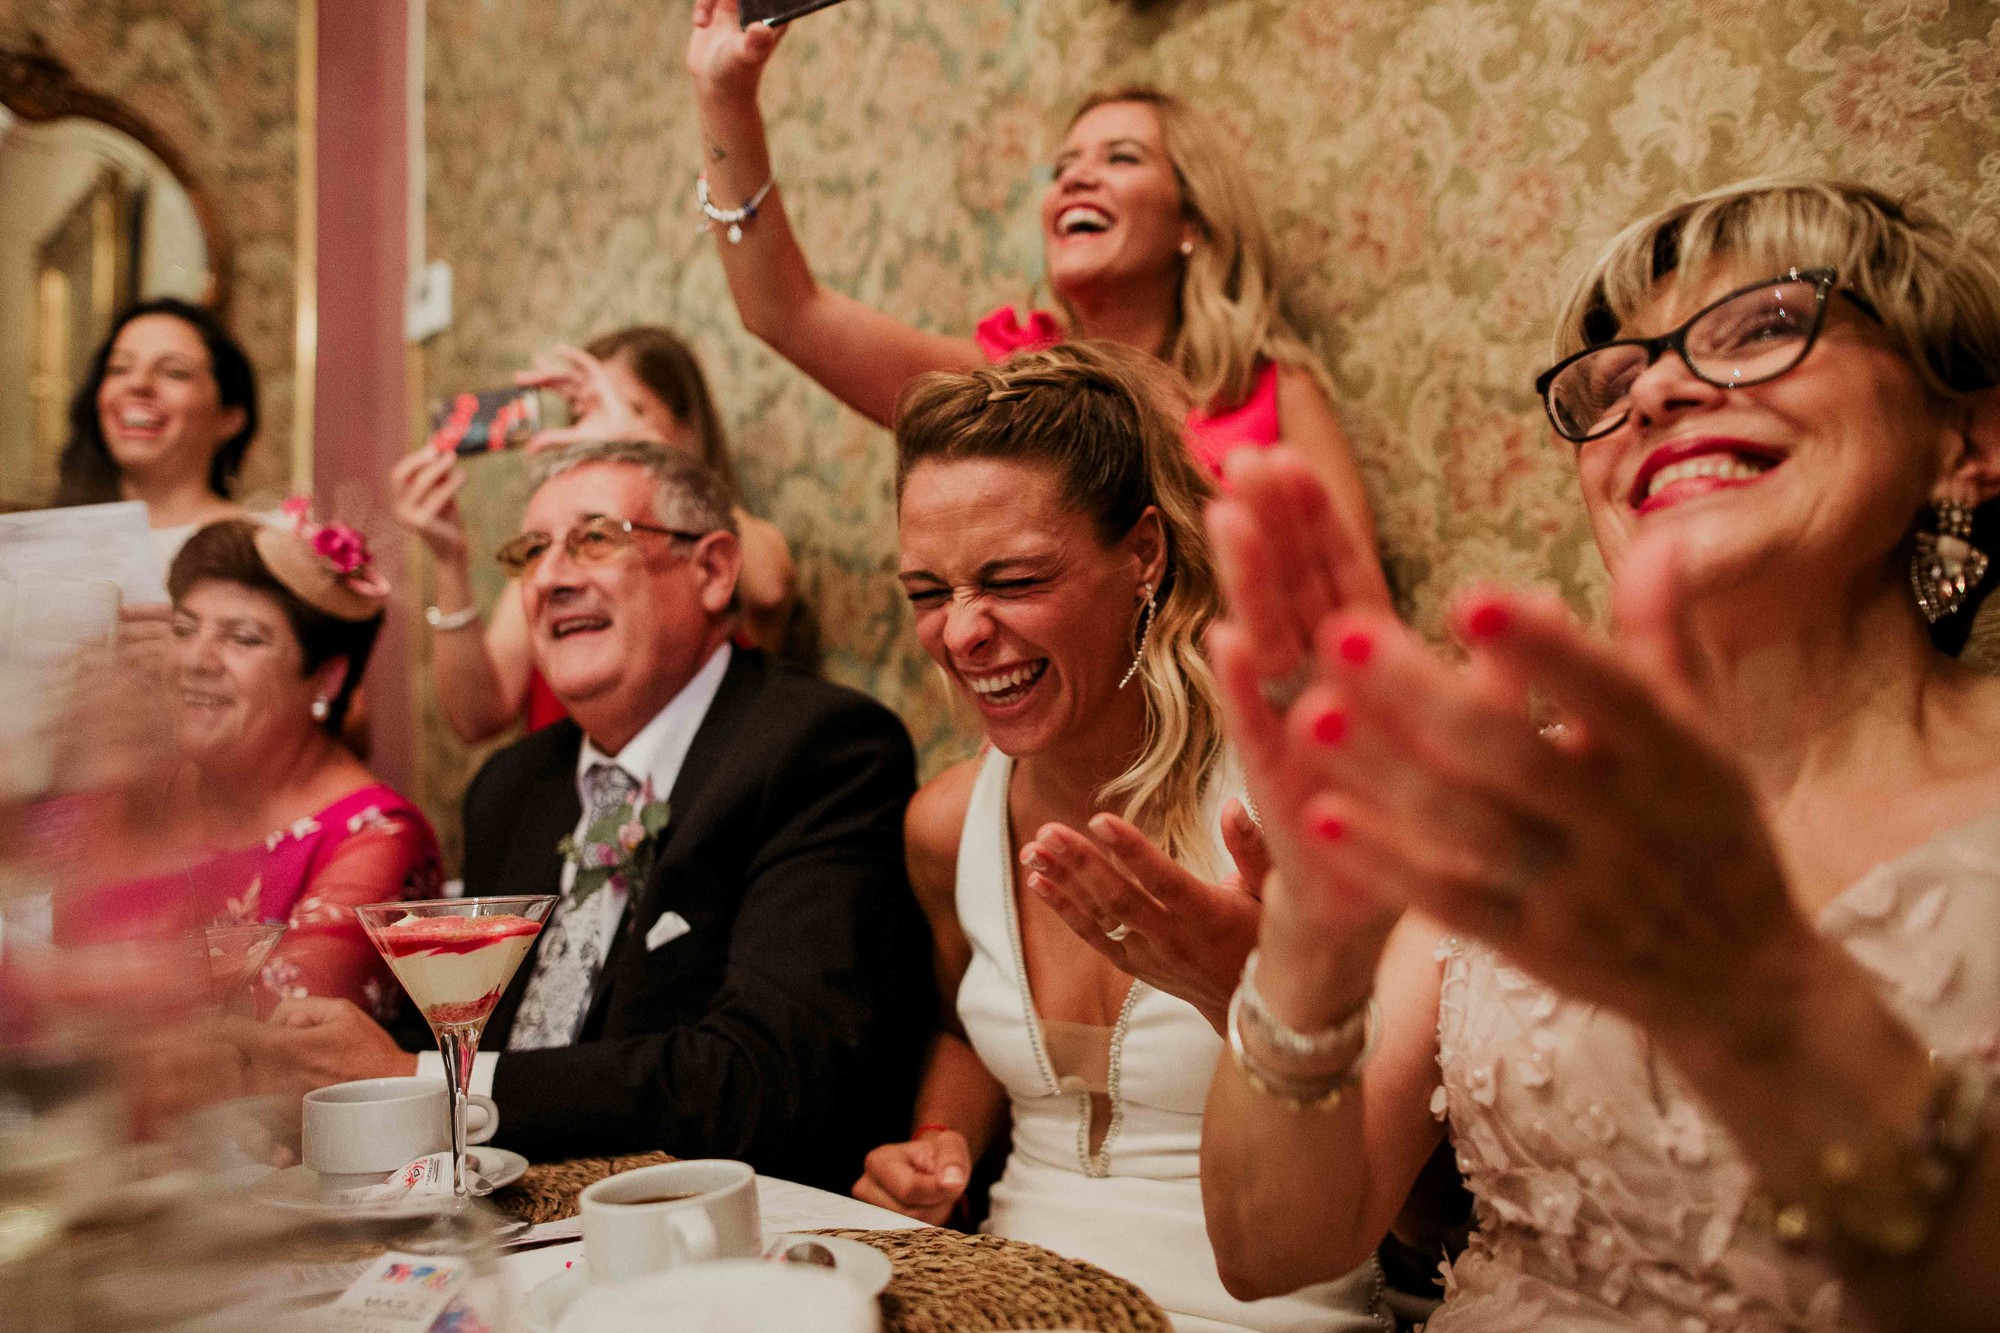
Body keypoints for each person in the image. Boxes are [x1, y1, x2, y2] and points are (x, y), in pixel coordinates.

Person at [1193, 181, 2000, 1332]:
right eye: (1613, 379)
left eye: (1765, 324)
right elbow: (1271, 1245)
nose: (1658, 388)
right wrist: (1312, 940)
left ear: (1967, 440)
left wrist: (1759, 1000)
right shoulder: (1517, 798)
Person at [856, 343, 1387, 1332]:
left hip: (1265, 1306)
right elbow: (962, 1030)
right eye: (927, 591)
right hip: (1005, 1300)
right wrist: (936, 1143)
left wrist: (1249, 992)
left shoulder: (1293, 800)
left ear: (1141, 551)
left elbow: (1423, 1158)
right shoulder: (944, 824)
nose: (960, 633)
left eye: (1010, 578)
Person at [235, 441, 930, 1192]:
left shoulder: (818, 749)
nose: (553, 578)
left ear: (713, 569)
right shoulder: (510, 787)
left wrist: (432, 1084)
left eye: (596, 538)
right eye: (532, 551)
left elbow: (769, 1074)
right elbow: (457, 1025)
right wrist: (338, 1089)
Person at [684, 0, 1378, 542]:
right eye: (1065, 166)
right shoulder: (1008, 388)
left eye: (1121, 158)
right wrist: (724, 95)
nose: (1077, 179)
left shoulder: (1273, 395)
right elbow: (785, 312)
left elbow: (1360, 620)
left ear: (1192, 222)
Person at [52, 509, 438, 1019]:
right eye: (185, 630)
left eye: (242, 638)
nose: (196, 660)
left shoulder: (374, 838)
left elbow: (278, 1037)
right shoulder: (137, 794)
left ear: (326, 678)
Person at [391, 326, 802, 744]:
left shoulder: (725, 547)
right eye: (586, 414)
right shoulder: (555, 570)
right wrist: (449, 559)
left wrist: (650, 451)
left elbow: (769, 589)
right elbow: (478, 716)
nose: (603, 433)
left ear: (686, 427)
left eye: (628, 410)